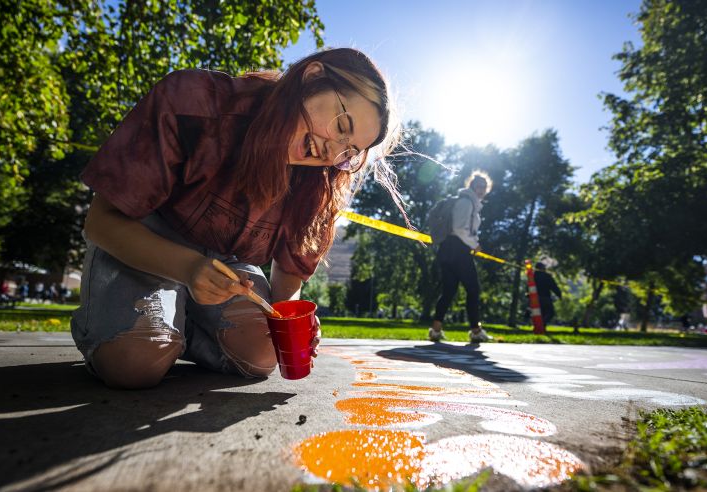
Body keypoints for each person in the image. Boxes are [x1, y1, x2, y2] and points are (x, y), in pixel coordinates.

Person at [71, 48, 400, 389]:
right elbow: (101, 221)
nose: (332, 154)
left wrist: (289, 319)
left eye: (348, 152)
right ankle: (130, 332)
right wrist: (187, 268)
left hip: (227, 266)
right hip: (144, 240)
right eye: (342, 125)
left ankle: (177, 330)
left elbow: (288, 275)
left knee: (263, 356)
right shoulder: (195, 101)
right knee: (135, 362)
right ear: (312, 76)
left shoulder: (319, 185)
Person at [429, 171, 492, 343]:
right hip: (458, 249)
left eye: (484, 187)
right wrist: (475, 245)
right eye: (478, 186)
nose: (481, 190)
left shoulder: (468, 202)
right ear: (472, 186)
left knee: (448, 291)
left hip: (447, 250)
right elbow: (460, 229)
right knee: (473, 289)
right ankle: (476, 331)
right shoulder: (466, 202)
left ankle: (435, 330)